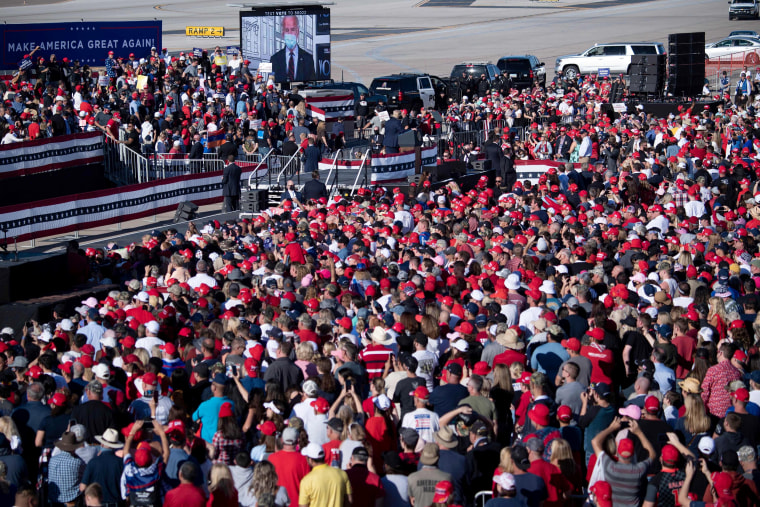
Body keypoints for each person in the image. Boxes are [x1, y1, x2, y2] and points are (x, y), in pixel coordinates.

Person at [298, 443, 353, 507]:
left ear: (310, 460)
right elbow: (349, 500)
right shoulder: (342, 474)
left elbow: (303, 506)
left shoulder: (306, 481)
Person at [271, 15, 316, 82]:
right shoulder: (275, 59)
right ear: (283, 34)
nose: (290, 33)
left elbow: (312, 83)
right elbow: (271, 83)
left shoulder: (308, 59)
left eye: (292, 29)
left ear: (297, 32)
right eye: (286, 30)